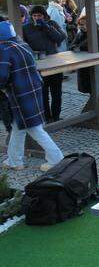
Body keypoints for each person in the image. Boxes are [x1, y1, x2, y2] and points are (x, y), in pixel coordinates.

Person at [0, 20, 63, 171]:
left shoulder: (4, 50)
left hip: (19, 95)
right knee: (18, 126)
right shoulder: (23, 45)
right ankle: (15, 160)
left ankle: (57, 159)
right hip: (33, 91)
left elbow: (1, 76)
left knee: (35, 129)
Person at [23, 5, 66, 123]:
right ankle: (46, 117)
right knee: (43, 92)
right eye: (35, 16)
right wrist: (33, 53)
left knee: (57, 92)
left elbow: (60, 38)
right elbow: (24, 44)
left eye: (39, 15)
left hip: (54, 62)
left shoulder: (51, 24)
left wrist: (46, 27)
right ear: (31, 16)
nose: (37, 18)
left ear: (44, 16)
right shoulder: (26, 28)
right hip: (38, 63)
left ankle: (56, 116)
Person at [69, 16, 99, 105]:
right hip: (85, 68)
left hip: (98, 68)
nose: (81, 26)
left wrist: (90, 52)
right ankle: (95, 109)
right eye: (80, 25)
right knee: (92, 91)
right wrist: (77, 48)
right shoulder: (79, 35)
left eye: (83, 24)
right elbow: (72, 46)